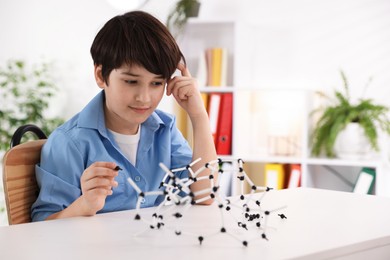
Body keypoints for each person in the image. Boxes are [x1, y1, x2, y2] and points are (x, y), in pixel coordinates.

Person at [31, 11, 217, 221]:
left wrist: (199, 115)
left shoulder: (165, 129)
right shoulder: (69, 143)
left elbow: (204, 194)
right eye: (131, 81)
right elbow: (42, 225)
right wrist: (84, 206)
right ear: (101, 76)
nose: (144, 98)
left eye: (156, 83)